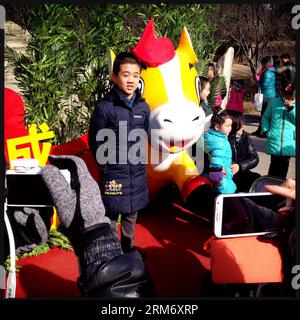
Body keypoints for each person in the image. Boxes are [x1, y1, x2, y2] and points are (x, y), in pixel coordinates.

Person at [89, 52, 150, 252]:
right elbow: (95, 142)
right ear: (114, 76)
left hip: (137, 173)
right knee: (111, 215)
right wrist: (108, 165)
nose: (131, 80)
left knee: (132, 214)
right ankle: (110, 252)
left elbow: (145, 137)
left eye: (135, 75)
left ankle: (128, 250)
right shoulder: (104, 108)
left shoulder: (143, 107)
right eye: (126, 74)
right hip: (114, 174)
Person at [261, 69, 295, 180]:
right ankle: (269, 190)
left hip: (289, 143)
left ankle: (278, 193)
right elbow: (266, 117)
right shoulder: (274, 103)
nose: (289, 99)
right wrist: (266, 130)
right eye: (287, 96)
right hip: (274, 140)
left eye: (292, 96)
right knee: (273, 168)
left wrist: (291, 109)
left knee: (283, 169)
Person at [227, 110, 260, 192]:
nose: (243, 127)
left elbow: (254, 158)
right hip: (228, 176)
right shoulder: (223, 140)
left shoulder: (244, 136)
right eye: (241, 125)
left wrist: (240, 166)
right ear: (233, 126)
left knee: (258, 180)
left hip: (242, 171)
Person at [204, 108, 236, 194]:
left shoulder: (210, 136)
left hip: (216, 174)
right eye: (227, 126)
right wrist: (218, 177)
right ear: (217, 127)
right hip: (220, 178)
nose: (230, 128)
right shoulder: (220, 143)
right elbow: (216, 160)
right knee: (228, 191)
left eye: (231, 125)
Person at [252, 56, 276, 138]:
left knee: (265, 115)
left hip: (267, 96)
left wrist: (258, 82)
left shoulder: (267, 72)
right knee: (263, 114)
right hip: (269, 95)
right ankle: (260, 130)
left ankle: (263, 132)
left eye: (262, 63)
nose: (261, 65)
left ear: (265, 63)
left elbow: (264, 85)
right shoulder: (268, 71)